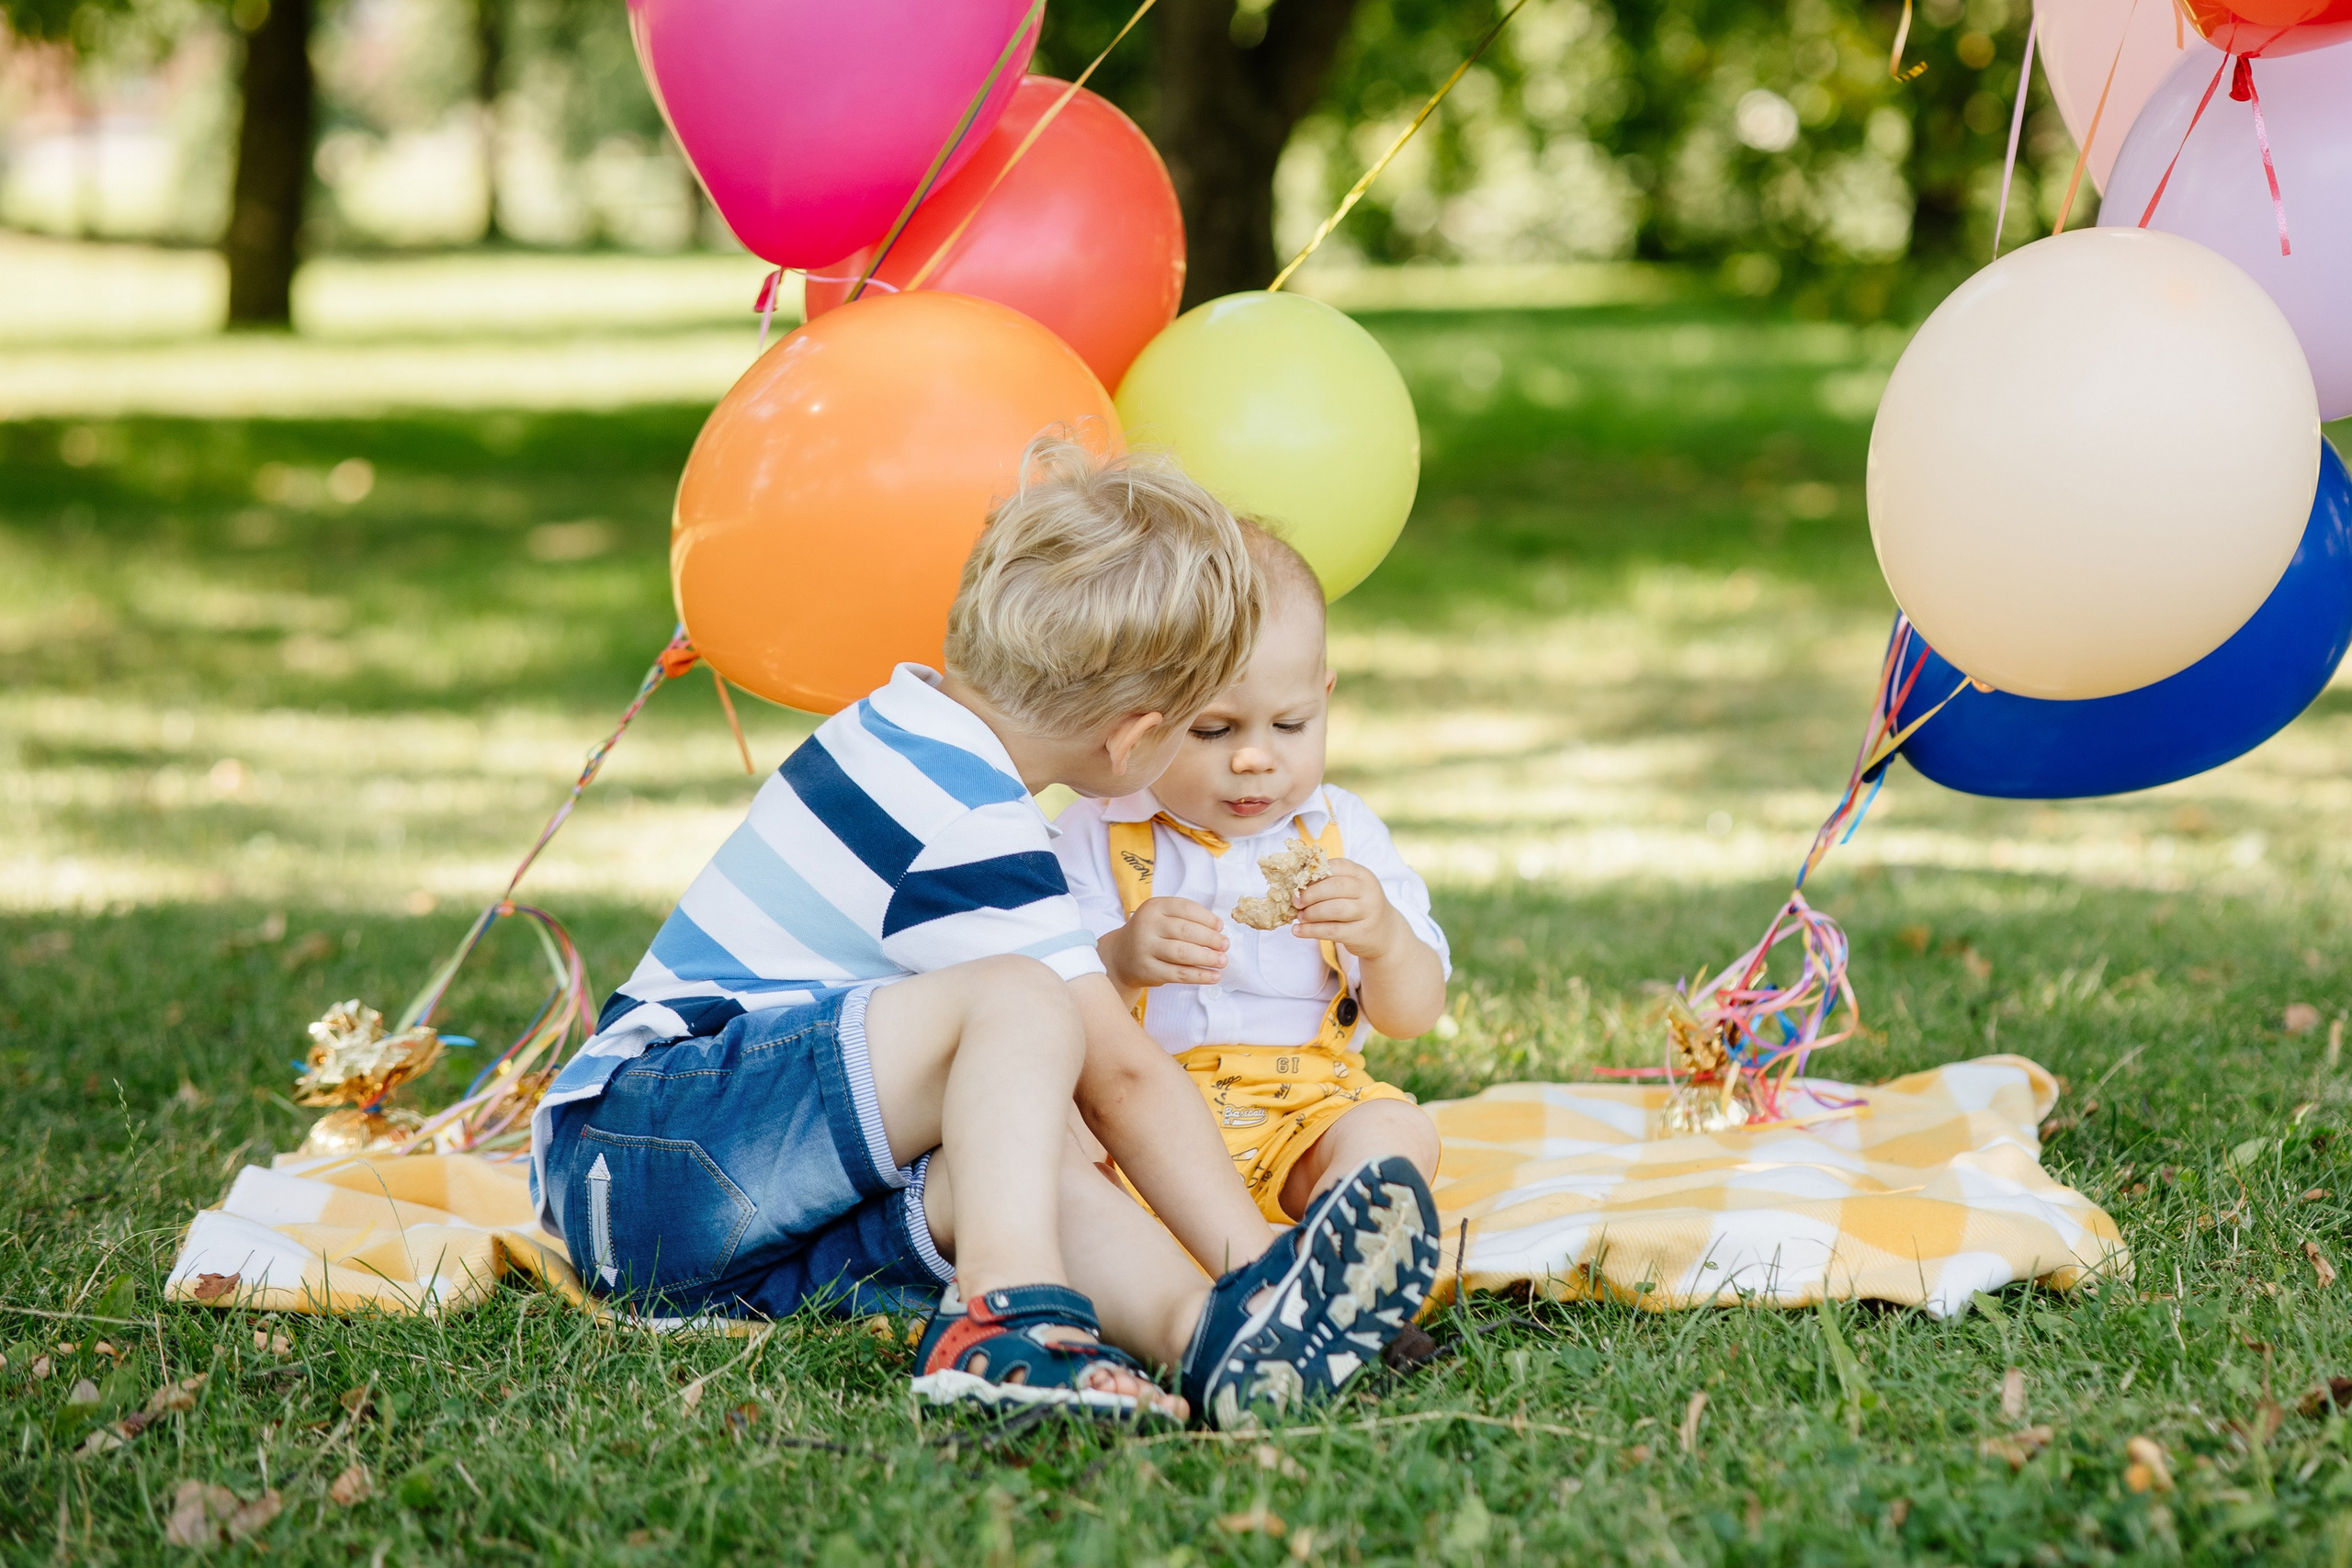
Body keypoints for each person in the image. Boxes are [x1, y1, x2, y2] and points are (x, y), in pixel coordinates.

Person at [531, 437, 1440, 1428]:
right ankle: (1002, 1317)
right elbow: (1126, 1076)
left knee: (1023, 1137)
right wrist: (1263, 1260)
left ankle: (1211, 1339)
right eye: (1199, 725)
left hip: (735, 1224)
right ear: (1135, 738)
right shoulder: (962, 813)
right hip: (644, 1153)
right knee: (1025, 1003)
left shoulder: (908, 723)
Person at [1053, 526, 1448, 1228]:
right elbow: (1052, 1015)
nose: (1255, 758)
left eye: (1291, 725)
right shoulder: (1098, 832)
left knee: (1397, 1130)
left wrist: (1385, 938)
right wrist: (1118, 958)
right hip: (1140, 1117)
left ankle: (1342, 1238)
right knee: (1057, 1149)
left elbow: (1413, 1014)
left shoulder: (1341, 833)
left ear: (1324, 696)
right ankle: (1126, 1246)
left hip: (1307, 1111)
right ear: (1139, 718)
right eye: (1213, 730)